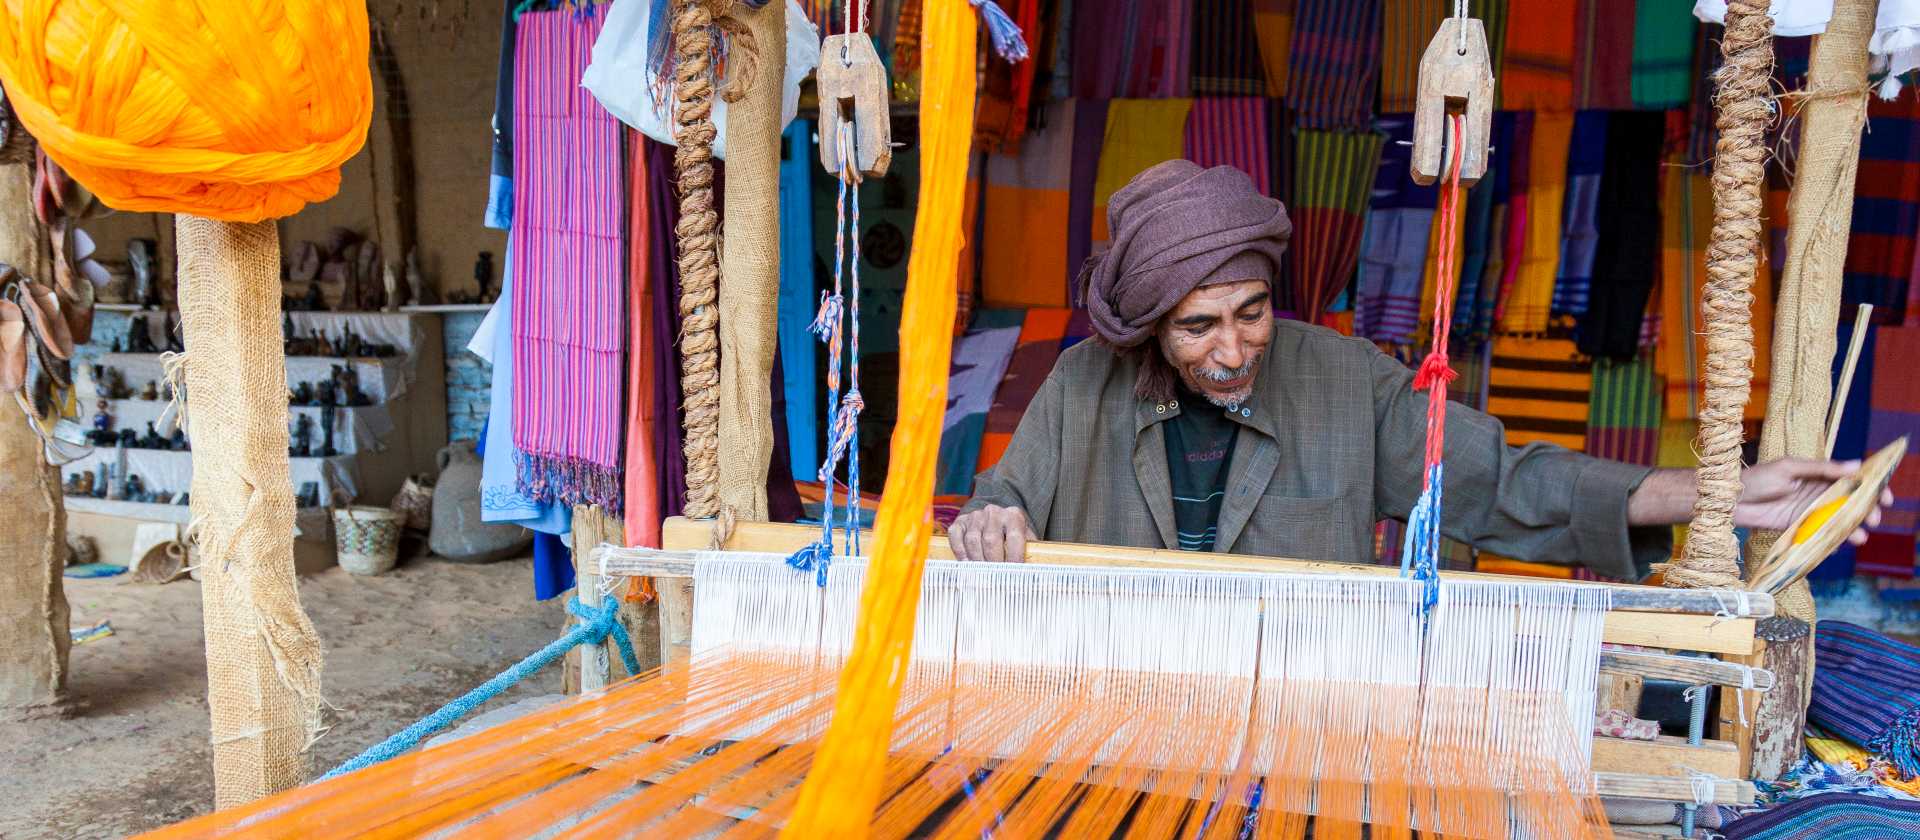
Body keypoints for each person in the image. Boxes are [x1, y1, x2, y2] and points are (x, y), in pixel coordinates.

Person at [949, 160, 1888, 580]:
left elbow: (1504, 486)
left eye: (1252, 313)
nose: (1232, 351)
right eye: (1198, 328)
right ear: (1152, 326)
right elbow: (1003, 504)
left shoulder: (1349, 381)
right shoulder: (1082, 384)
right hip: (1113, 726)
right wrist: (992, 524)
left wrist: (1725, 495)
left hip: (1304, 737)